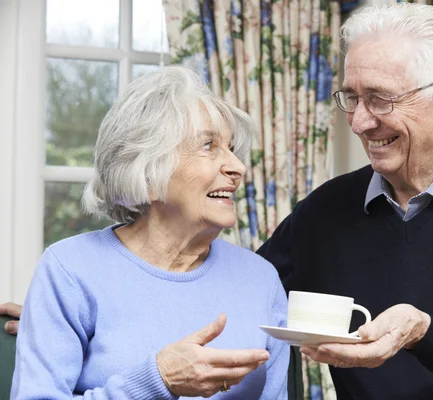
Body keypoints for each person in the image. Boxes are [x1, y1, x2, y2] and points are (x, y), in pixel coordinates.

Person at [3, 3, 433, 399]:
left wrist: (424, 332)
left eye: (379, 98)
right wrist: (68, 317)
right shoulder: (327, 210)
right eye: (349, 98)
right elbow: (204, 282)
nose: (359, 122)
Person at [8, 65, 289, 399]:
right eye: (208, 146)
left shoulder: (260, 280)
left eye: (231, 149)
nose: (237, 167)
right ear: (149, 175)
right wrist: (159, 379)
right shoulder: (70, 270)